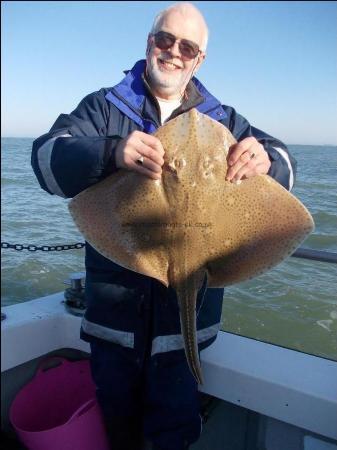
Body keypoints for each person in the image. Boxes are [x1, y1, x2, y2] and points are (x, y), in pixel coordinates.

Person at [31, 3, 296, 450]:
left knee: (173, 431)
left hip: (183, 329)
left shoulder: (225, 119)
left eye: (187, 46)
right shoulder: (105, 108)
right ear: (149, 41)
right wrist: (111, 152)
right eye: (165, 39)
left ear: (200, 59)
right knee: (119, 428)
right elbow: (45, 159)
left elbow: (285, 165)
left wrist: (267, 158)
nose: (174, 52)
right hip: (116, 322)